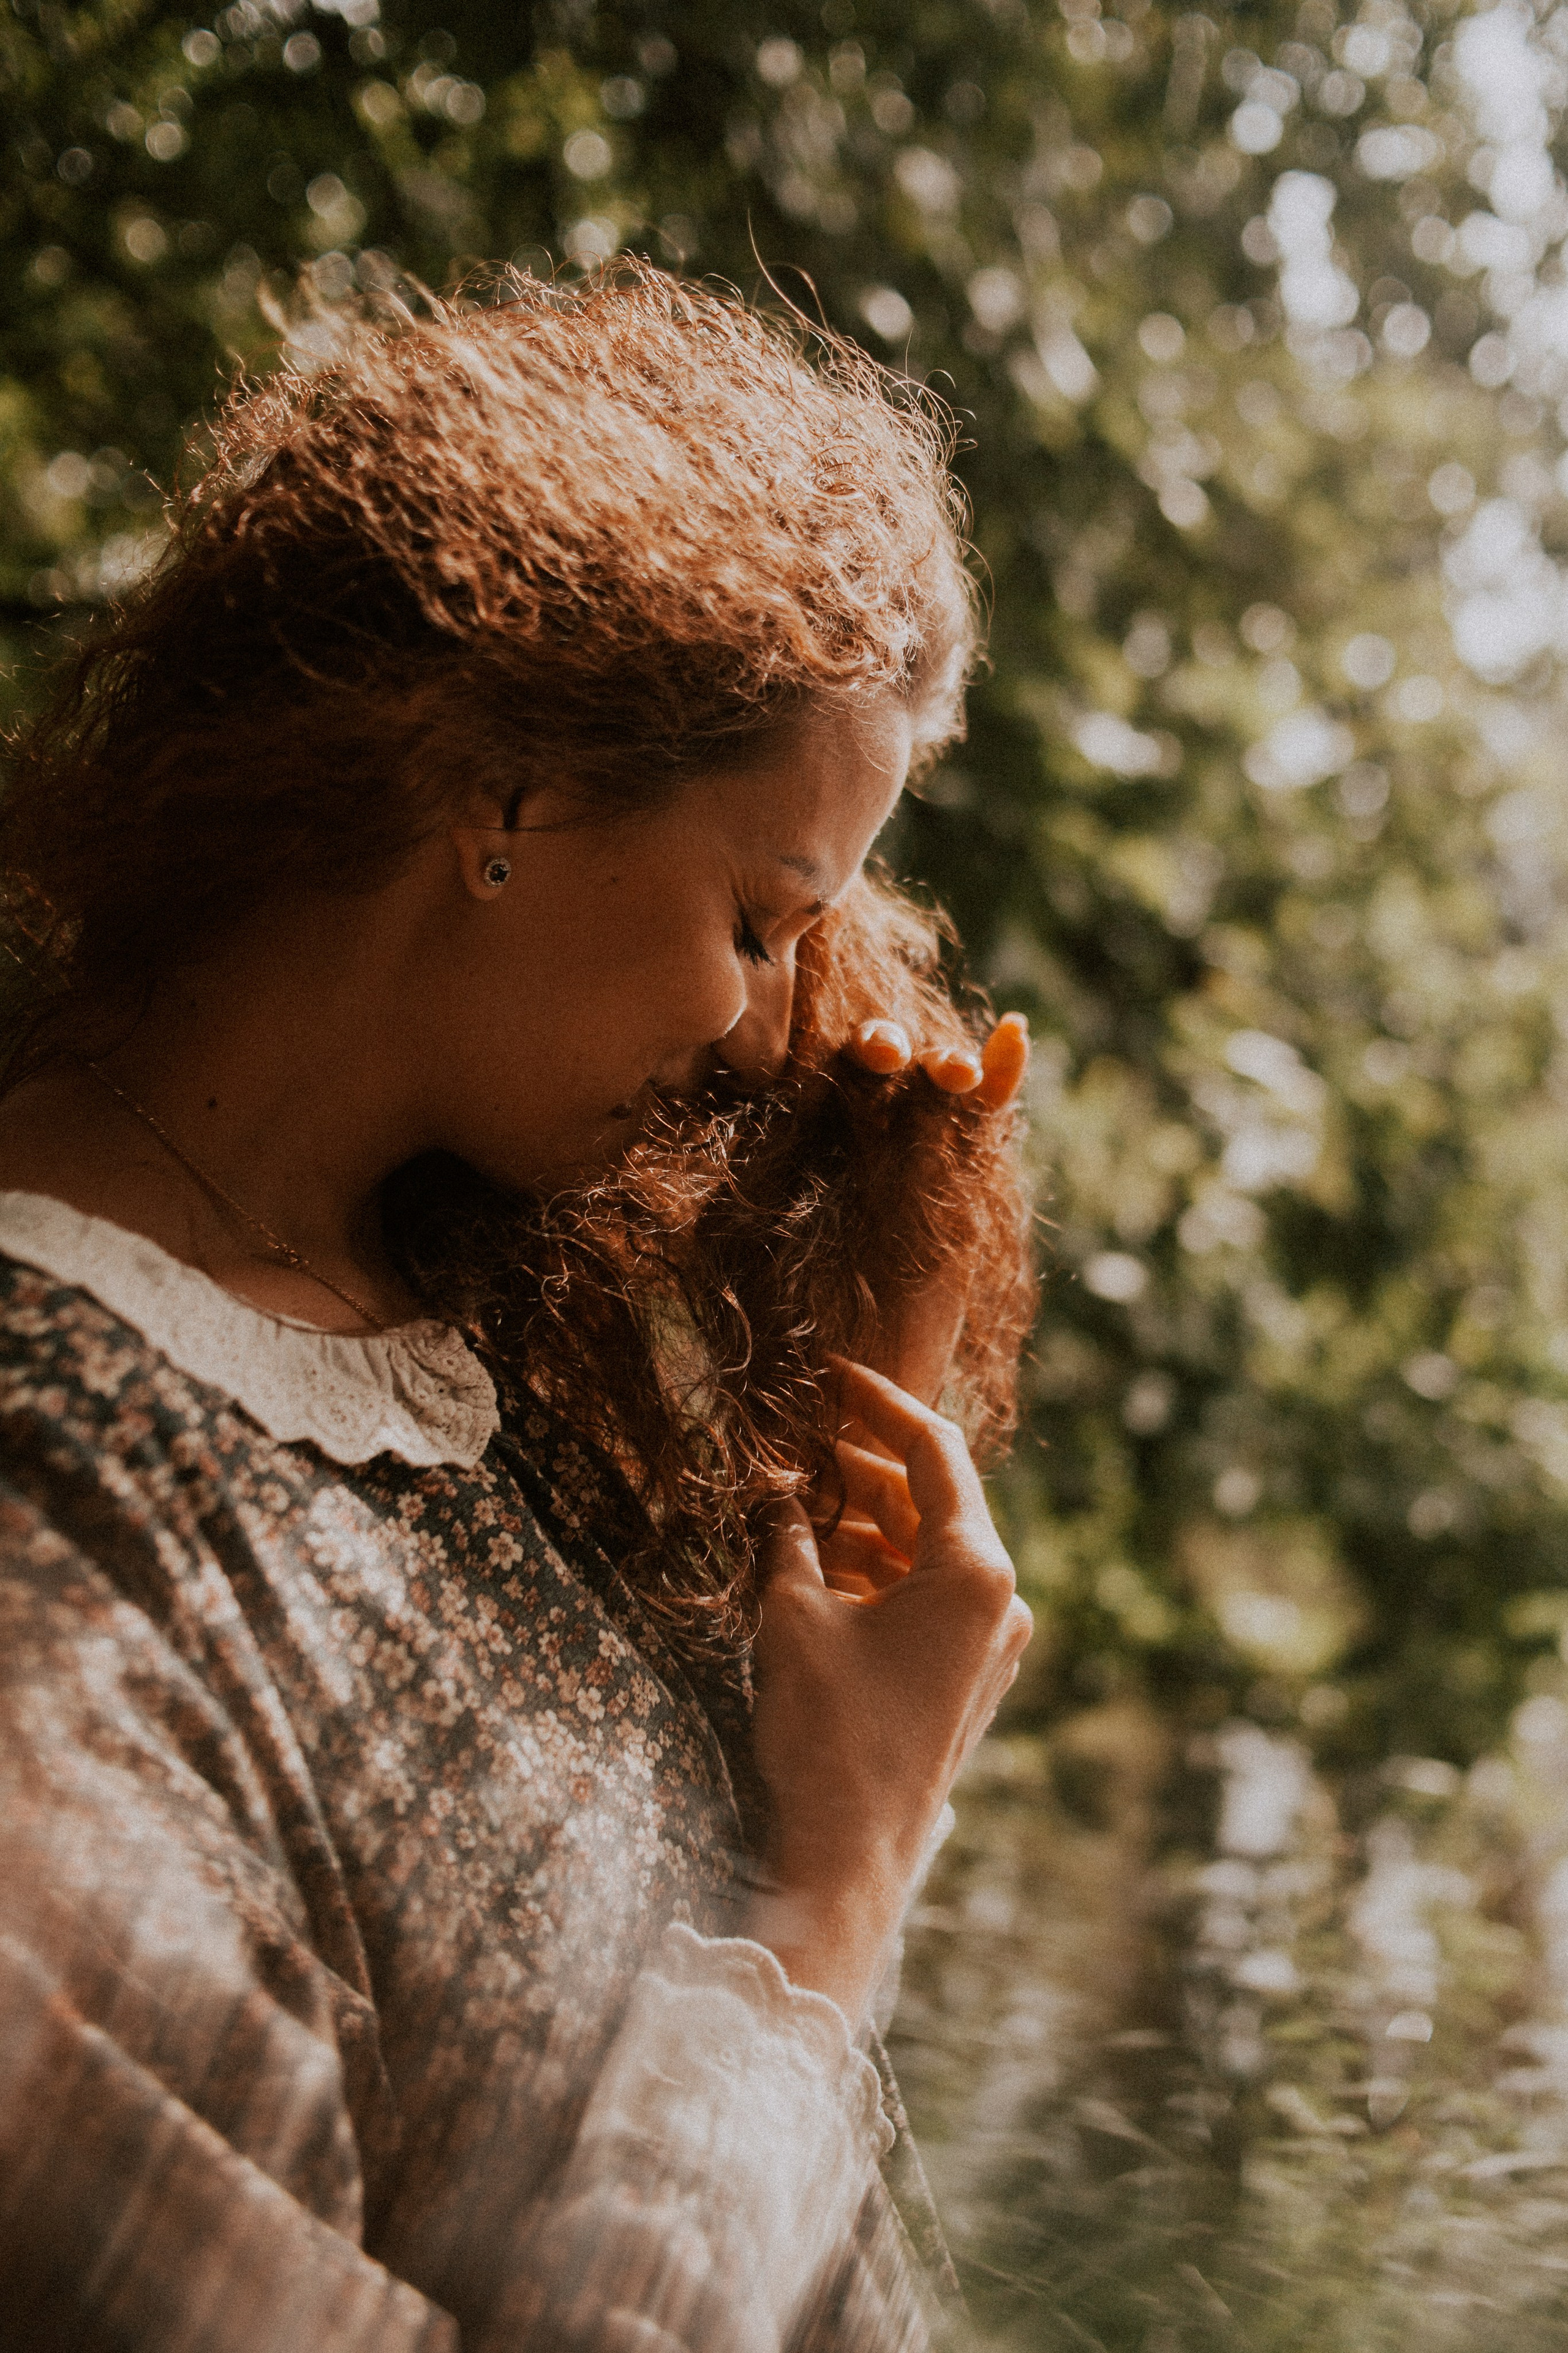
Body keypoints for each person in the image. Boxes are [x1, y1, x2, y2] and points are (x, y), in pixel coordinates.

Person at [0, 263, 1035, 2351]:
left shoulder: (455, 1319)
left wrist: (882, 1337)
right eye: (759, 918)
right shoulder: (55, 1550)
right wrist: (850, 1882)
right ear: (508, 787)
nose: (771, 1036)